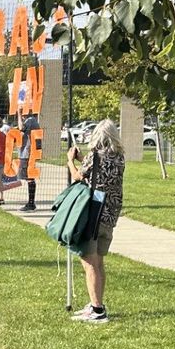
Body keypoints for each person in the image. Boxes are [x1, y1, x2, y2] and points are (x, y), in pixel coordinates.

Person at [67, 117, 126, 323]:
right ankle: (96, 302)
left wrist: (70, 161)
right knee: (99, 261)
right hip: (110, 213)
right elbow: (98, 173)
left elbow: (79, 176)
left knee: (88, 261)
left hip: (94, 212)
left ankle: (98, 310)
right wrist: (84, 159)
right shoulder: (119, 157)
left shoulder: (94, 155)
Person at [18, 107, 40, 210]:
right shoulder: (33, 121)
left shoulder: (30, 121)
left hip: (27, 153)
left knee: (29, 177)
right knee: (29, 177)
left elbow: (21, 128)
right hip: (29, 152)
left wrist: (18, 114)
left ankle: (31, 203)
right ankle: (31, 202)